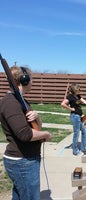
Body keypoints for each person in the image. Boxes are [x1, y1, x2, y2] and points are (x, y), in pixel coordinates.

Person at [0, 65, 52, 200]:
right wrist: (46, 135)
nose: (32, 81)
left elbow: (37, 127)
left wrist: (36, 117)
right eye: (31, 78)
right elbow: (25, 134)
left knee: (19, 196)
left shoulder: (21, 100)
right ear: (24, 80)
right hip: (22, 162)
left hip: (26, 160)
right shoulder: (10, 103)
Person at [61, 83, 86, 156]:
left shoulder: (78, 96)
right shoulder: (70, 97)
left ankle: (83, 148)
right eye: (78, 89)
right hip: (75, 116)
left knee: (84, 132)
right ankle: (75, 151)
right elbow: (63, 104)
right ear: (75, 90)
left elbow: (85, 102)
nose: (79, 91)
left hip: (78, 117)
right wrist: (70, 108)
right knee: (76, 133)